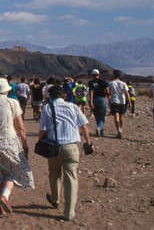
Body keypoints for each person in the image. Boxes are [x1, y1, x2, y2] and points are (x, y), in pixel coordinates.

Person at [0, 77, 34, 215]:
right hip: (10, 142)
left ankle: (0, 206)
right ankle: (5, 196)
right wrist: (25, 144)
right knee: (13, 171)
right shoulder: (12, 102)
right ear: (6, 90)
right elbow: (20, 127)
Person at [40, 85, 93, 221]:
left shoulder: (47, 108)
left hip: (53, 148)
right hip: (71, 147)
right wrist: (88, 142)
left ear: (50, 96)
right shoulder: (73, 107)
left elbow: (43, 129)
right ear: (63, 95)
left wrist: (39, 141)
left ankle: (55, 199)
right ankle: (69, 212)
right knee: (71, 179)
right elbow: (84, 127)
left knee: (54, 174)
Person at [108, 70, 130, 139]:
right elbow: (127, 94)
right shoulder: (123, 84)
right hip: (122, 102)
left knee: (116, 117)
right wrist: (129, 102)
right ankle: (121, 129)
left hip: (114, 101)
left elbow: (109, 93)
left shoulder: (111, 83)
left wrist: (109, 101)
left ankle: (118, 130)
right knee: (121, 117)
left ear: (114, 75)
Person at [88, 69, 110, 137]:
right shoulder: (103, 82)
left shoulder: (90, 82)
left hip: (94, 99)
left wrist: (91, 102)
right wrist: (109, 100)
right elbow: (108, 91)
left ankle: (100, 131)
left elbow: (91, 92)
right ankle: (99, 128)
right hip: (102, 99)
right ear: (98, 74)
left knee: (97, 116)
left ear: (92, 75)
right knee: (102, 116)